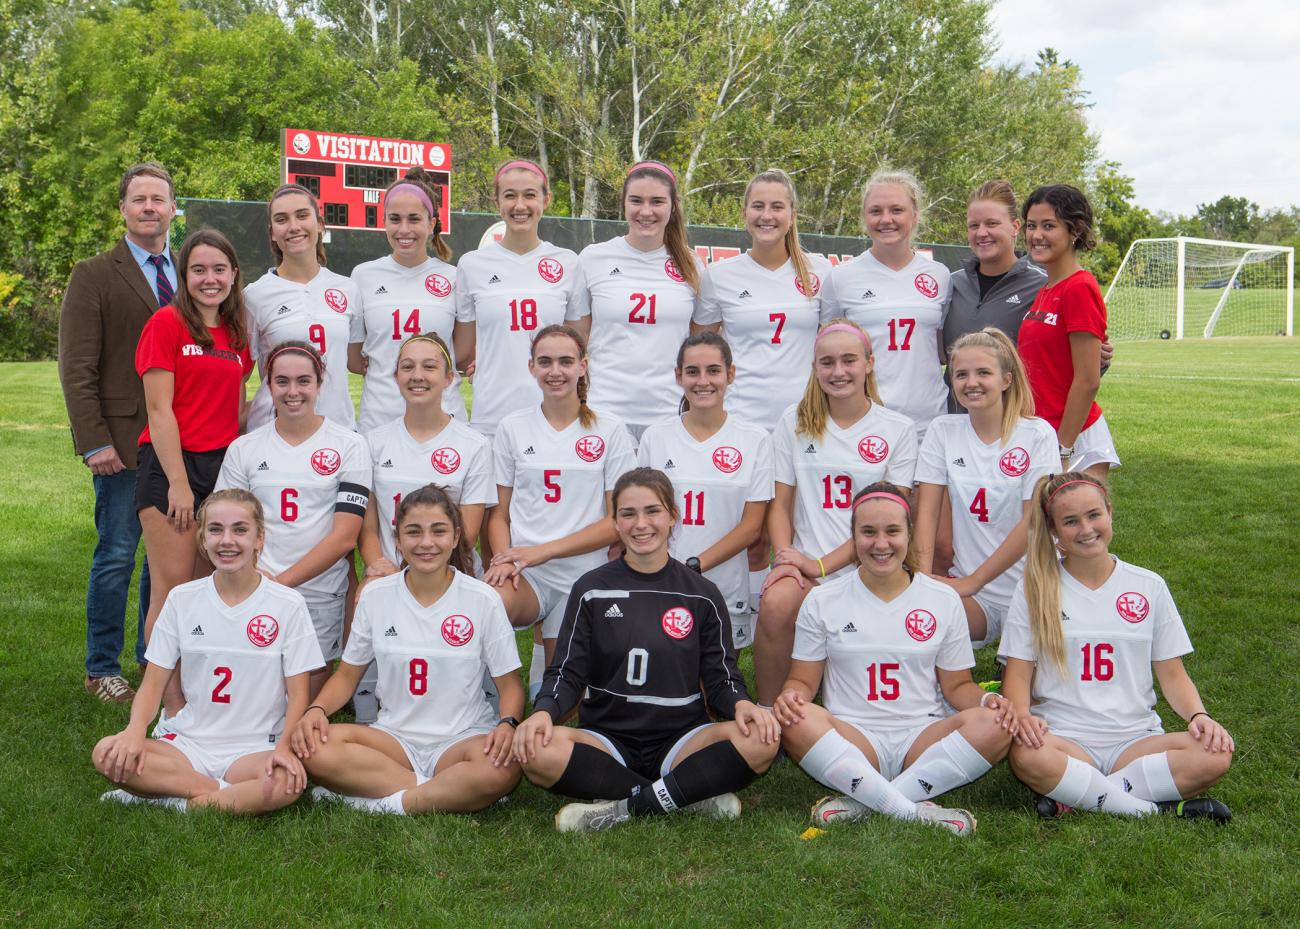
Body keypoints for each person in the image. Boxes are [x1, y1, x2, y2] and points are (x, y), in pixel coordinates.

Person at [512, 468, 780, 832]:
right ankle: (684, 795)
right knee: (537, 751)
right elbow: (567, 673)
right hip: (607, 738)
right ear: (615, 523)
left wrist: (743, 705)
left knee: (762, 742)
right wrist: (544, 712)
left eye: (652, 511)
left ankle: (623, 807)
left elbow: (721, 680)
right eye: (628, 514)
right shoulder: (591, 589)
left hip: (683, 738)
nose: (641, 524)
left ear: (673, 516)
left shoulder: (702, 594)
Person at [773, 483, 1014, 835]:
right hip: (854, 738)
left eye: (892, 531)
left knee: (998, 723)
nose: (881, 544)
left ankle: (868, 801)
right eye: (868, 532)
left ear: (909, 534)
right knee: (797, 719)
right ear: (853, 538)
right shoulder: (824, 600)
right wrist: (790, 696)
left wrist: (987, 699)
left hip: (922, 737)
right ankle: (913, 808)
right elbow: (803, 682)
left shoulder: (942, 599)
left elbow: (957, 686)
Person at [1003, 472, 1234, 821]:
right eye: (1070, 521)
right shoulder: (1035, 589)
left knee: (1215, 753)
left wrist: (1199, 716)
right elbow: (1018, 674)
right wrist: (1022, 715)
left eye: (1094, 515)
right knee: (1025, 755)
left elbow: (1172, 674)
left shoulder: (1148, 586)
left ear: (1110, 512)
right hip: (1064, 739)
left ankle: (1080, 794)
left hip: (1136, 741)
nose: (1085, 529)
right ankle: (1148, 809)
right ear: (1054, 531)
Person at [289, 486, 524, 815]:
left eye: (438, 531)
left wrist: (507, 724)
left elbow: (510, 685)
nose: (426, 543)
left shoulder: (482, 598)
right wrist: (316, 711)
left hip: (462, 738)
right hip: (394, 739)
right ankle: (445, 791)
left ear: (456, 537)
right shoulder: (377, 595)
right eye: (414, 532)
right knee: (313, 747)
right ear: (398, 540)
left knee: (505, 765)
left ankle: (378, 803)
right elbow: (346, 676)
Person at [93, 489, 323, 813]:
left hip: (254, 748)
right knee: (106, 752)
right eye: (215, 529)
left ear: (260, 539)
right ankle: (222, 794)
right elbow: (152, 685)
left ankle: (177, 799)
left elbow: (299, 696)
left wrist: (285, 748)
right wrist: (133, 732)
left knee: (287, 782)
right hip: (189, 744)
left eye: (240, 530)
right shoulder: (181, 599)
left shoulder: (287, 604)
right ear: (202, 538)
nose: (226, 540)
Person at [752, 319, 918, 703]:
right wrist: (787, 561)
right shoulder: (794, 421)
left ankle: (838, 694)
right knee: (776, 604)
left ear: (869, 363)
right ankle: (769, 710)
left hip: (871, 564)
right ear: (814, 368)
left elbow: (888, 523)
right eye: (827, 362)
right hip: (806, 563)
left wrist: (823, 566)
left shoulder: (898, 428)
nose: (838, 371)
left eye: (849, 360)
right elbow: (780, 503)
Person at [59, 162, 175, 702]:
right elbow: (77, 365)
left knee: (168, 557)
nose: (150, 207)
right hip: (124, 444)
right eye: (139, 199)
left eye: (159, 198)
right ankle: (102, 667)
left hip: (183, 441)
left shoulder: (192, 270)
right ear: (123, 210)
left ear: (173, 207)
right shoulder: (95, 274)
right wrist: (94, 440)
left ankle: (154, 659)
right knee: (118, 554)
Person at [135, 229, 253, 715]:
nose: (210, 279)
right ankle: (170, 705)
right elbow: (160, 412)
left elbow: (236, 404)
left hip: (220, 469)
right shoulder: (166, 324)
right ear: (183, 277)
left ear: (233, 275)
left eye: (219, 269)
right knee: (173, 588)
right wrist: (180, 485)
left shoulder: (237, 333)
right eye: (198, 270)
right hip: (170, 467)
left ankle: (205, 694)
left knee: (210, 585)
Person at [485, 325, 635, 693]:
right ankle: (486, 702)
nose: (556, 371)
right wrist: (505, 559)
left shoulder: (610, 429)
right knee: (486, 604)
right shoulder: (512, 427)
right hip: (527, 574)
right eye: (546, 362)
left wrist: (542, 552)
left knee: (562, 696)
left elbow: (618, 522)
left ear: (583, 366)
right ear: (531, 367)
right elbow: (499, 513)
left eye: (566, 362)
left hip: (584, 573)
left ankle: (543, 679)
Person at [215, 342, 369, 696]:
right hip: (252, 587)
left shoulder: (350, 446)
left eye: (303, 381)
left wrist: (279, 584)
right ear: (268, 386)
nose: (293, 391)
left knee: (299, 705)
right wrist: (255, 584)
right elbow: (225, 526)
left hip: (316, 593)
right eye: (282, 381)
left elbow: (345, 537)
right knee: (250, 699)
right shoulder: (245, 448)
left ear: (320, 383)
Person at [913, 328, 1058, 647]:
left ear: (1006, 379)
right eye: (960, 374)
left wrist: (972, 581)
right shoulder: (943, 430)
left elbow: (1033, 523)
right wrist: (921, 582)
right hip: (975, 599)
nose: (971, 382)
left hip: (1031, 592)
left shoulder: (1037, 435)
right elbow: (927, 513)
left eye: (983, 372)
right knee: (918, 622)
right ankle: (949, 689)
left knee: (1028, 694)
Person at [637, 332, 773, 648]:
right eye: (692, 371)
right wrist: (666, 569)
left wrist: (693, 567)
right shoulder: (656, 437)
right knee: (668, 680)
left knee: (715, 685)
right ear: (678, 376)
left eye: (713, 370)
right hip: (661, 578)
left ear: (731, 374)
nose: (703, 381)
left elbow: (752, 526)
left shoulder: (755, 439)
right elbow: (642, 513)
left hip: (724, 584)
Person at [693, 168, 837, 428]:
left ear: (792, 216)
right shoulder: (718, 275)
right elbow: (699, 352)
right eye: (758, 206)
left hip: (805, 419)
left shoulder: (821, 272)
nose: (766, 216)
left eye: (777, 207)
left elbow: (832, 348)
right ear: (744, 213)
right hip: (739, 420)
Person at [455, 159, 586, 440]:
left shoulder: (568, 263)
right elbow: (464, 351)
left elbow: (578, 344)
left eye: (530, 195)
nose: (520, 205)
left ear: (546, 199)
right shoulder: (472, 265)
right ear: (496, 201)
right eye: (510, 195)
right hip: (491, 414)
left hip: (554, 411)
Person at [572, 161, 703, 441]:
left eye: (657, 201)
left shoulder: (692, 266)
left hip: (670, 415)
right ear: (623, 204)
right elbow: (578, 338)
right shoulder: (593, 258)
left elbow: (699, 342)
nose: (646, 211)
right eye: (636, 201)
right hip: (603, 412)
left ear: (673, 205)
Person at [823, 170, 950, 439]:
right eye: (876, 211)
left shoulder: (939, 275)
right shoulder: (841, 277)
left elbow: (940, 349)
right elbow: (826, 352)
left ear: (914, 215)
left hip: (927, 424)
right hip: (864, 423)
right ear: (864, 217)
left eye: (896, 210)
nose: (886, 219)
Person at [361, 333, 494, 582]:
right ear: (396, 377)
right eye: (407, 367)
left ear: (449, 378)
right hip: (388, 576)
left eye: (429, 367)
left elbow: (466, 535)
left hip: (450, 576)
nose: (417, 376)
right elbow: (368, 530)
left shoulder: (474, 445)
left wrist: (408, 575)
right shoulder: (373, 442)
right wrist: (381, 569)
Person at [354, 168, 470, 433]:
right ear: (383, 221)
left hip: (444, 417)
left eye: (414, 219)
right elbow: (355, 357)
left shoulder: (455, 277)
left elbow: (460, 352)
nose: (403, 229)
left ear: (431, 224)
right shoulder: (363, 276)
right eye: (395, 219)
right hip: (380, 420)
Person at [1018, 185, 1120, 479]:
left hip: (1074, 440)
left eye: (1049, 226)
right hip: (1044, 434)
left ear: (1075, 231)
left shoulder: (1079, 288)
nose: (1036, 235)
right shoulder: (1047, 289)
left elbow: (1088, 380)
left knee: (1077, 526)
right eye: (1031, 225)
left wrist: (1062, 449)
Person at [244, 184, 362, 431]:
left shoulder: (348, 289)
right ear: (272, 233)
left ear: (319, 223)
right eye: (281, 219)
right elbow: (236, 376)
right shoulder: (254, 296)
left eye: (302, 215)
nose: (293, 226)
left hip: (337, 432)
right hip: (276, 434)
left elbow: (357, 361)